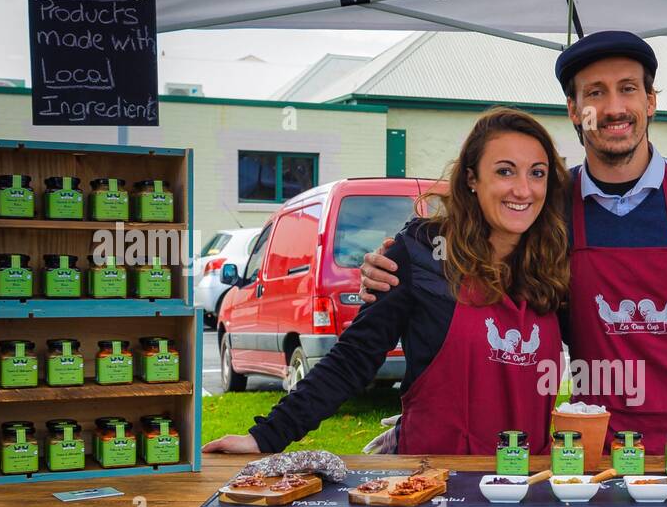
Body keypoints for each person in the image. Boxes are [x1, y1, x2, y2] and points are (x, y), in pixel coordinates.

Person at [360, 31, 667, 455]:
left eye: (628, 89)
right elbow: (480, 261)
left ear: (650, 102)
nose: (614, 108)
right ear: (575, 112)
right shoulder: (548, 206)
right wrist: (396, 265)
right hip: (604, 444)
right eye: (595, 93)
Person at [202, 107, 570, 457]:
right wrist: (266, 435)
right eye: (505, 171)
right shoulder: (422, 252)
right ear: (472, 178)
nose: (524, 190)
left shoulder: (554, 262)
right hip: (432, 478)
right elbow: (355, 357)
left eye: (537, 173)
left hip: (524, 483)